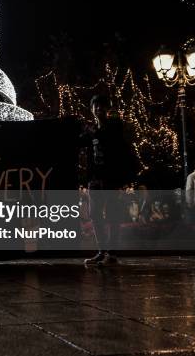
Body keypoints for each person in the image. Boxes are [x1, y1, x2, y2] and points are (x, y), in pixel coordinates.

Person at [81, 95, 137, 266]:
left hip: (111, 178)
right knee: (94, 214)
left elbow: (116, 146)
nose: (98, 109)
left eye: (102, 106)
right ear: (91, 109)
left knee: (113, 214)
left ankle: (111, 254)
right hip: (95, 179)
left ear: (107, 109)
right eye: (95, 106)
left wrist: (124, 181)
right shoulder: (91, 130)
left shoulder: (114, 126)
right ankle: (101, 251)